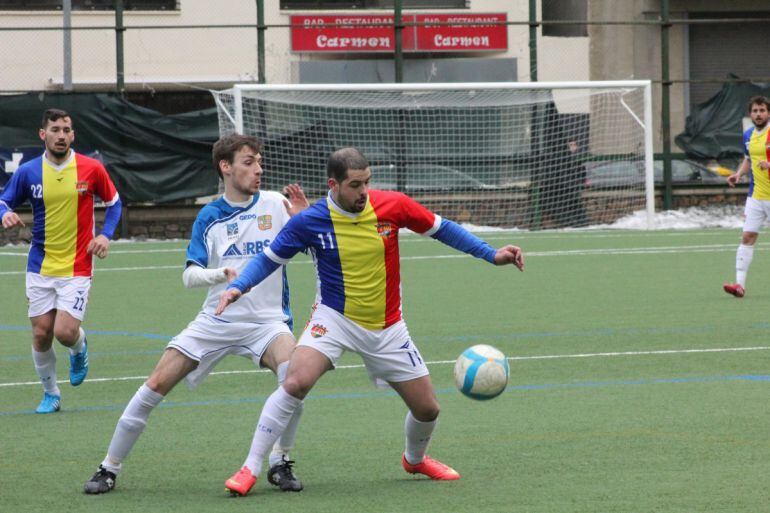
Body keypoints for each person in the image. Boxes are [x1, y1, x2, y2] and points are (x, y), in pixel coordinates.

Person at [215, 147, 525, 491]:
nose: (363, 192)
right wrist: (238, 287)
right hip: (334, 319)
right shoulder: (309, 221)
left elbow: (444, 229)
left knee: (428, 410)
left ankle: (415, 460)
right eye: (355, 185)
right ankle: (250, 467)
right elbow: (269, 259)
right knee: (295, 381)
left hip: (388, 325)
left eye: (367, 182)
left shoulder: (392, 205)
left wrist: (491, 254)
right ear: (333, 185)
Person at [83, 133, 310, 495]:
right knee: (155, 384)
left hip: (267, 322)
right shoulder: (210, 216)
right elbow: (190, 275)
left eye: (259, 162)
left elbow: (315, 254)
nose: (259, 169)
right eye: (249, 162)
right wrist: (220, 275)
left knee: (295, 377)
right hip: (216, 320)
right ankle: (108, 468)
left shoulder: (277, 205)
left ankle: (279, 461)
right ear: (226, 167)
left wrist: (303, 223)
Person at [0, 108, 122, 414]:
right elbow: (3, 199)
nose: (61, 135)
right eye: (55, 129)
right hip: (39, 264)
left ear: (73, 135)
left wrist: (105, 235)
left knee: (65, 332)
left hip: (78, 265)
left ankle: (79, 348)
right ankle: (51, 394)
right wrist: (5, 213)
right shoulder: (29, 172)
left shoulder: (91, 168)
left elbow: (115, 202)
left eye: (66, 129)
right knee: (41, 333)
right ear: (43, 134)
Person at [724, 95, 770, 298]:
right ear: (750, 114)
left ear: (768, 112)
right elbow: (748, 160)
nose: (758, 114)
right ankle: (739, 286)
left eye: (762, 110)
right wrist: (738, 174)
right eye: (755, 111)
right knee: (747, 237)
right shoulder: (748, 135)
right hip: (756, 196)